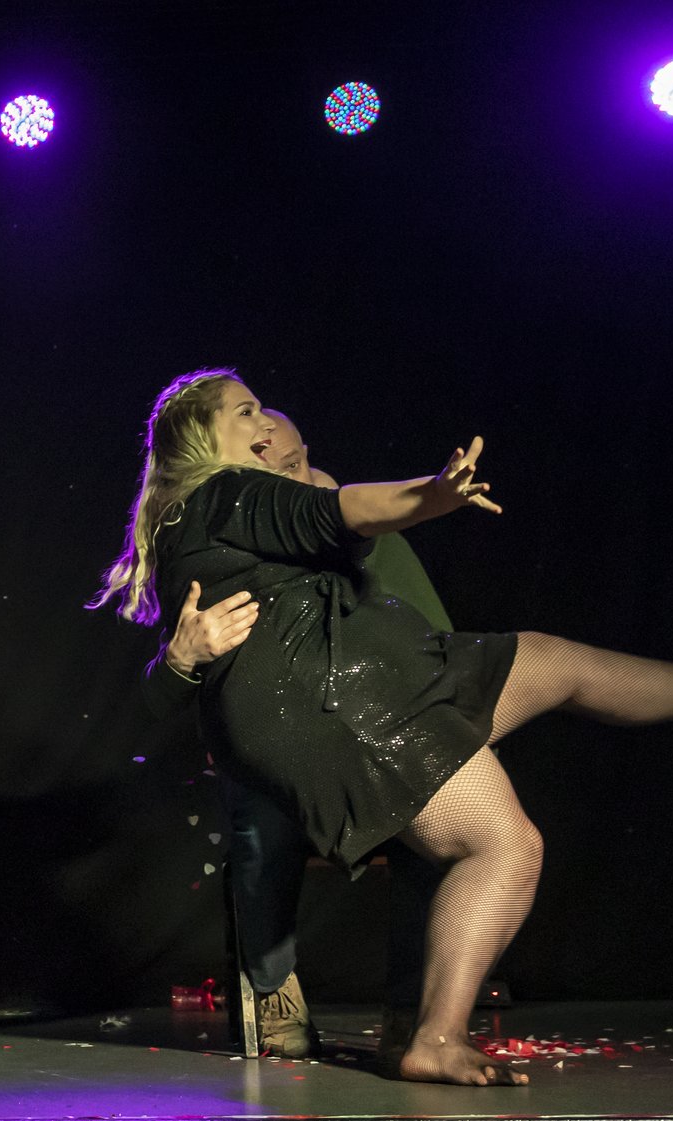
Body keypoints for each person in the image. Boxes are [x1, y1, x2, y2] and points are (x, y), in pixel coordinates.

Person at [93, 368, 673, 1086]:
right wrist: (433, 493)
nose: (271, 436)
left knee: (558, 663)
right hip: (336, 702)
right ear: (204, 443)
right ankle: (426, 1035)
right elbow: (340, 512)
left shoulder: (257, 533)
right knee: (504, 845)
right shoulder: (227, 496)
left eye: (287, 446)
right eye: (247, 414)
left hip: (384, 675)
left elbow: (352, 536)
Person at [140, 409, 447, 1062]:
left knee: (439, 817)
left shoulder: (358, 525)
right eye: (251, 433)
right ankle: (273, 989)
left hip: (375, 736)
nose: (268, 440)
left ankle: (412, 1009)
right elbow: (152, 704)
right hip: (286, 749)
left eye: (278, 433)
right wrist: (181, 658)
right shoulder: (229, 540)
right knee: (262, 814)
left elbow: (435, 638)